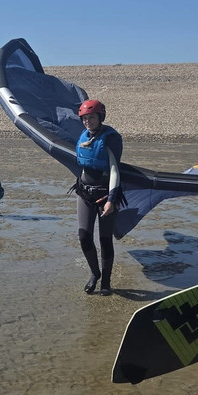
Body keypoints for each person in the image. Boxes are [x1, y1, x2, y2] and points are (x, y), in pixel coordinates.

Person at [73, 99, 124, 295]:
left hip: (105, 196)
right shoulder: (83, 136)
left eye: (91, 118)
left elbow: (115, 171)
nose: (88, 121)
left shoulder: (110, 139)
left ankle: (106, 282)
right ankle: (95, 273)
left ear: (100, 117)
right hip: (85, 193)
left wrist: (111, 199)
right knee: (83, 236)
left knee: (105, 239)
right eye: (85, 118)